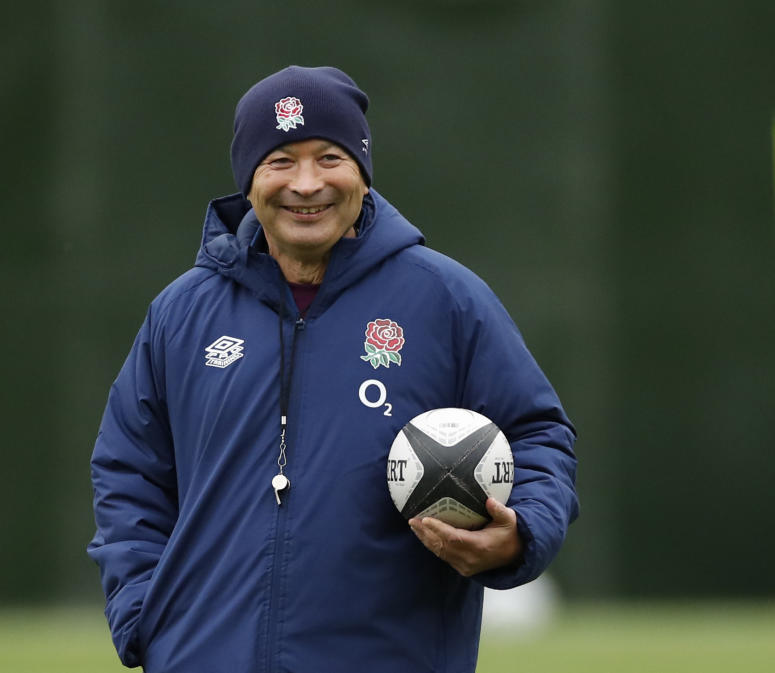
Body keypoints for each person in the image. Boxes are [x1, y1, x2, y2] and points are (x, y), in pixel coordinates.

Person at [87, 65, 578, 673]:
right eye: (281, 161)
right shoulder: (182, 314)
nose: (307, 183)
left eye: (329, 157)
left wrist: (520, 532)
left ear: (364, 176)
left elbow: (537, 434)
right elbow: (129, 469)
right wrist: (143, 614)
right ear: (250, 179)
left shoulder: (446, 299)